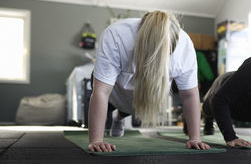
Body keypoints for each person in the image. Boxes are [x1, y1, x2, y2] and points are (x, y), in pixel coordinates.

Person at [88, 11, 210, 152]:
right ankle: (115, 115)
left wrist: (195, 138)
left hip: (148, 88)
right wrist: (96, 140)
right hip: (116, 86)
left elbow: (189, 95)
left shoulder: (184, 47)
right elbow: (101, 92)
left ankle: (119, 117)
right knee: (107, 95)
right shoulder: (116, 35)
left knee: (136, 111)